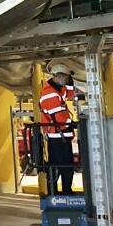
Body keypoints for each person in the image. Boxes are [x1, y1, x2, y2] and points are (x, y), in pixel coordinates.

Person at [38, 62, 78, 195]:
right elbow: (59, 117)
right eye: (66, 77)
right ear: (59, 76)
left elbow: (70, 95)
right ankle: (57, 192)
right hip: (57, 137)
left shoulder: (57, 90)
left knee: (63, 166)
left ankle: (62, 190)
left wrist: (70, 84)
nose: (66, 80)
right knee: (61, 166)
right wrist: (71, 123)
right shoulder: (51, 94)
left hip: (61, 135)